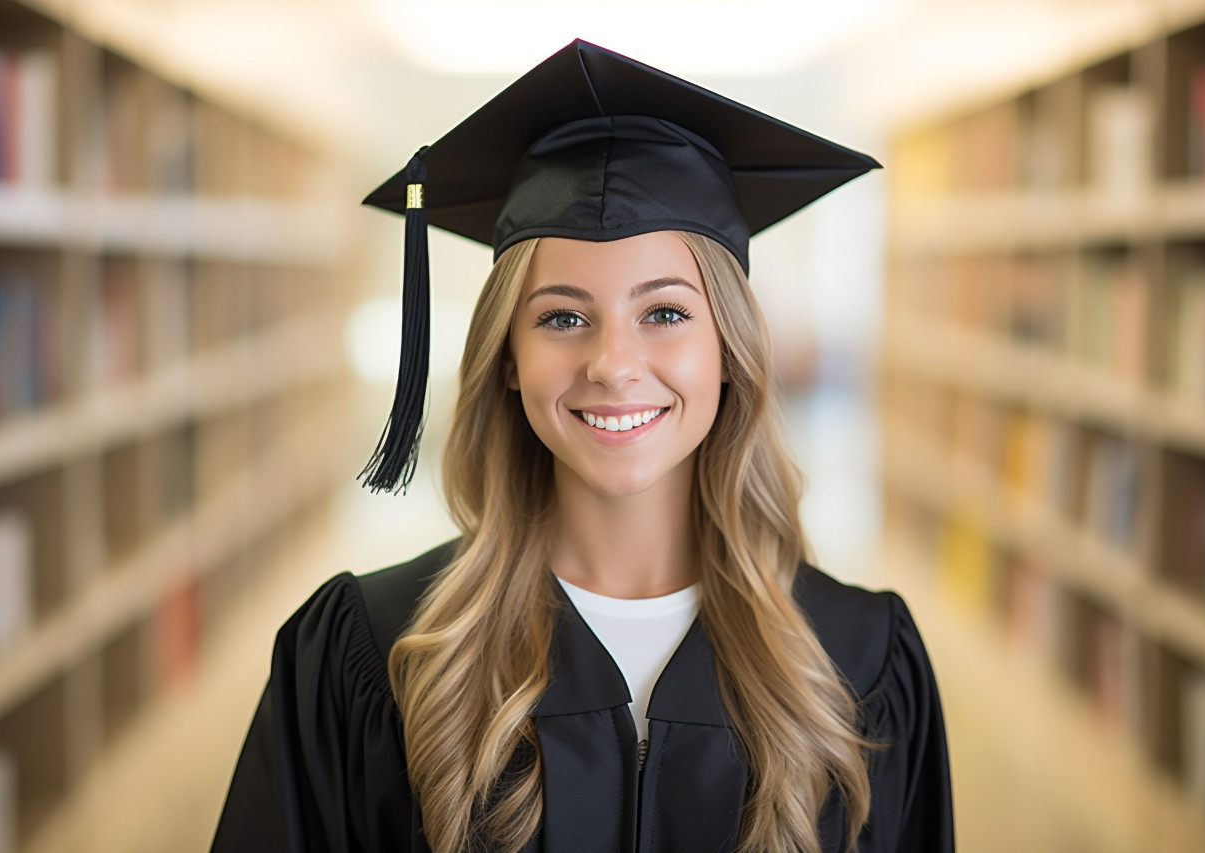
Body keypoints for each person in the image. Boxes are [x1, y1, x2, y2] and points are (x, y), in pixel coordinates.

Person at [210, 39, 954, 853]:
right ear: (506, 359)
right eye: (562, 316)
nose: (612, 364)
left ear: (730, 351)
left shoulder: (862, 662)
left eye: (665, 312)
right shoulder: (371, 654)